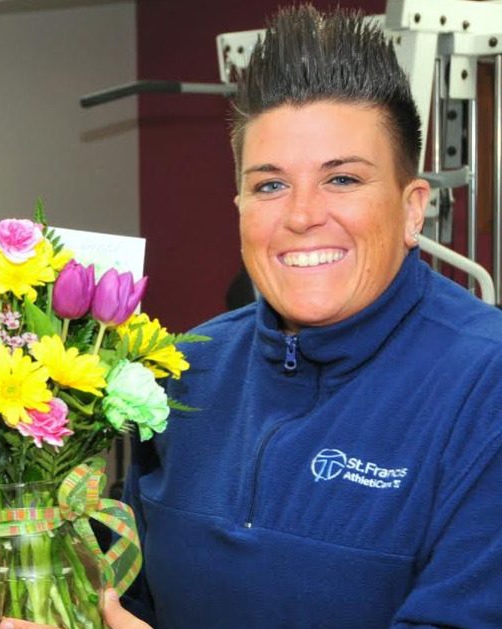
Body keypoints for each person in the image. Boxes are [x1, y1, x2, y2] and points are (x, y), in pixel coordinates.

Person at [113, 5, 502, 627]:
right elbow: (125, 598)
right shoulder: (183, 369)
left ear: (411, 209)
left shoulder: (485, 387)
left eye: (342, 178)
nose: (301, 215)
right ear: (239, 203)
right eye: (270, 185)